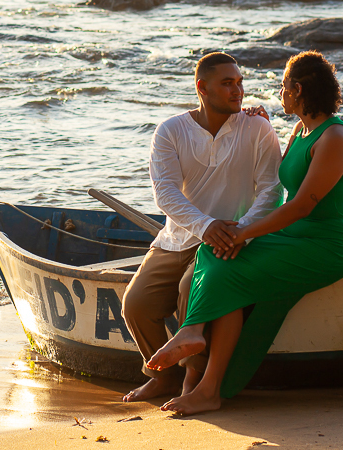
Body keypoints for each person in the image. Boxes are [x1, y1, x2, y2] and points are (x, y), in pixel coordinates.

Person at [146, 50, 343, 415]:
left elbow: (300, 205)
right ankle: (195, 337)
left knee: (228, 263)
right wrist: (256, 125)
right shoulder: (300, 129)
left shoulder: (335, 138)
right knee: (213, 252)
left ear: (296, 90)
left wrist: (244, 232)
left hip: (328, 244)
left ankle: (207, 385)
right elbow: (279, 173)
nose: (278, 94)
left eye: (282, 87)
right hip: (295, 235)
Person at [120, 51, 283, 402]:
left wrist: (240, 230)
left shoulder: (257, 127)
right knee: (135, 304)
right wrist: (206, 225)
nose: (237, 90)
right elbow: (164, 193)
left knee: (188, 289)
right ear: (202, 88)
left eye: (239, 83)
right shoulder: (171, 131)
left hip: (232, 239)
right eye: (227, 84)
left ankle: (192, 382)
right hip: (178, 238)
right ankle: (161, 377)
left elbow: (272, 190)